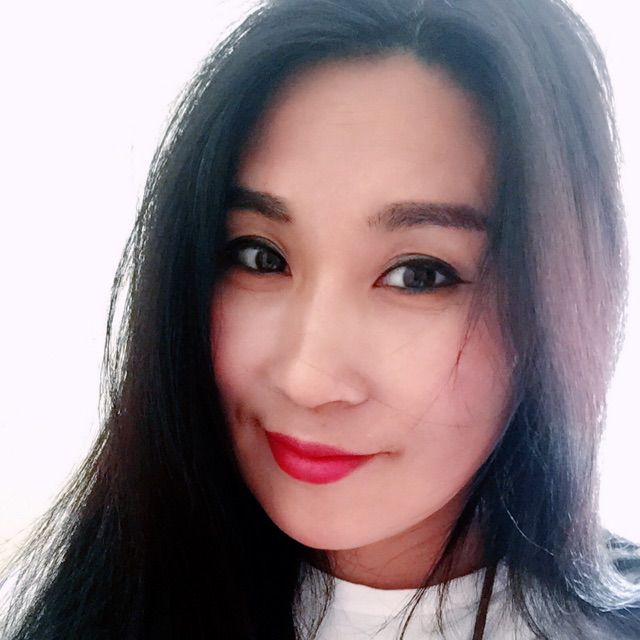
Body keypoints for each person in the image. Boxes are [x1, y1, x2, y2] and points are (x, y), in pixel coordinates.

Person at [2, 0, 640, 638]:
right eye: (260, 257)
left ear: (561, 295)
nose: (306, 380)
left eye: (419, 274)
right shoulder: (101, 601)